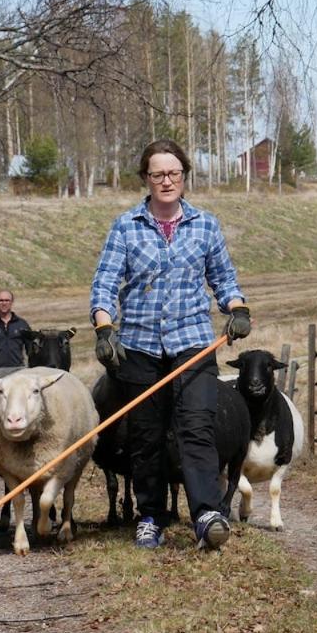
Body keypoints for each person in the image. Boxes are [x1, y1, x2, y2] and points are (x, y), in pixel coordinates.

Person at [89, 139, 252, 551]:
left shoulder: (205, 225)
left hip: (193, 344)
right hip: (139, 348)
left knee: (197, 428)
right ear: (146, 178)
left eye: (174, 173)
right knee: (146, 434)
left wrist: (236, 307)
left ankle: (207, 514)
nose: (166, 181)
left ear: (184, 177)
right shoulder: (127, 226)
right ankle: (150, 516)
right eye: (158, 174)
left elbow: (224, 277)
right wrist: (104, 328)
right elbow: (105, 284)